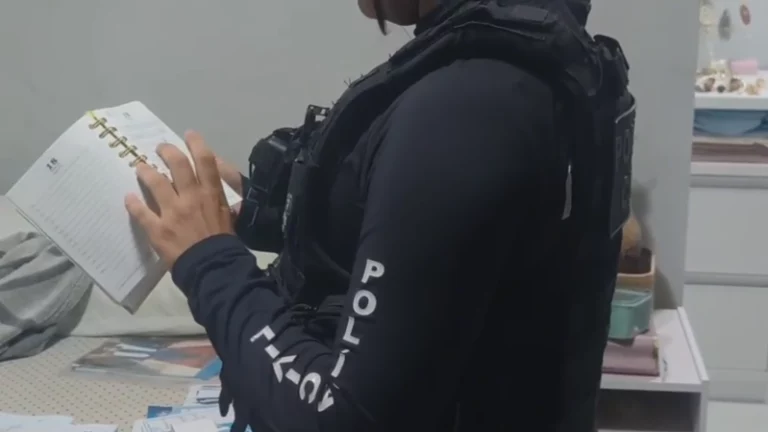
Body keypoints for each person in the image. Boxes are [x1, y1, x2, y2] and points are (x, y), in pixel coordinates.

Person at [125, 0, 636, 430]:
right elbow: (454, 253)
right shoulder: (531, 64)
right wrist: (258, 213)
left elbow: (345, 418)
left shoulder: (469, 106)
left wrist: (210, 264)